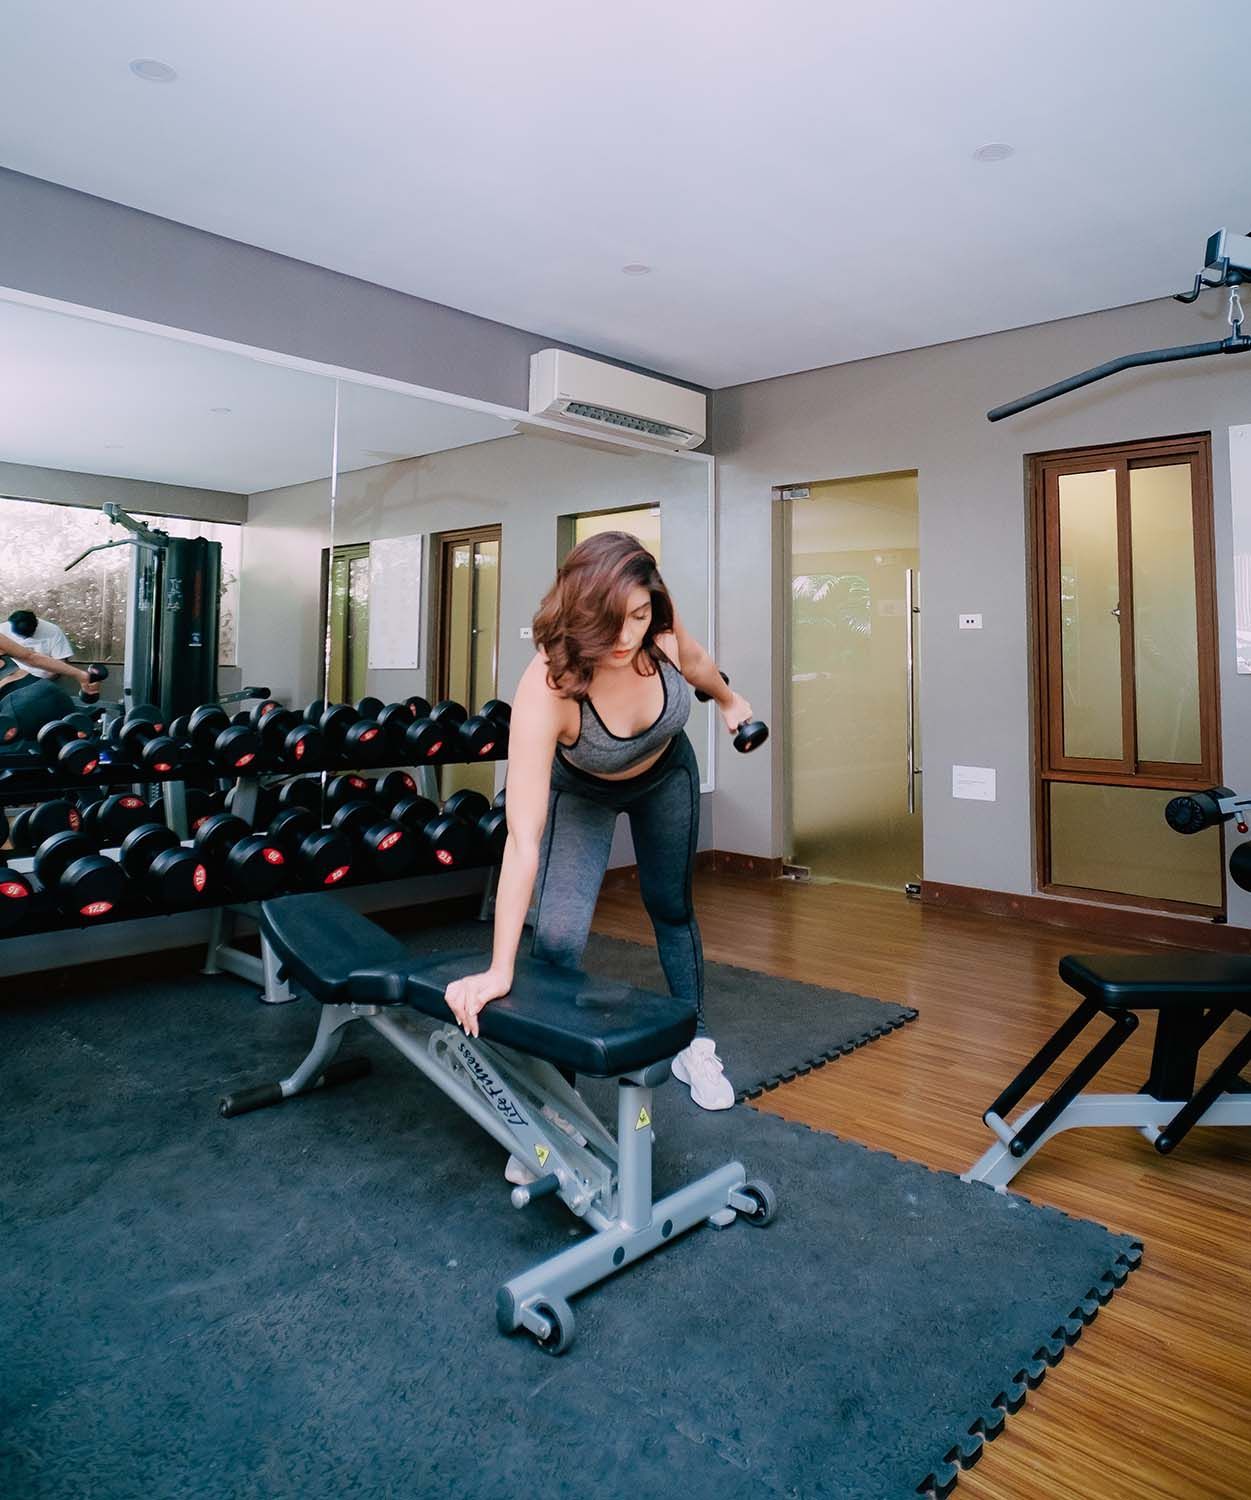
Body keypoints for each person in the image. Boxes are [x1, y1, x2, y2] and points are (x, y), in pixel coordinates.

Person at [444, 530, 755, 1129]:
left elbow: (695, 665)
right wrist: (499, 968)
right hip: (582, 791)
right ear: (580, 611)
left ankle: (693, 1042)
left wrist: (728, 700)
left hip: (665, 774)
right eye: (611, 621)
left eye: (638, 615)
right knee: (559, 937)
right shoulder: (549, 686)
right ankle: (554, 1099)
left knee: (671, 907)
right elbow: (523, 839)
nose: (626, 636)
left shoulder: (658, 631)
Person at [0, 621, 99, 701]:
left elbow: (31, 657)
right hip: (34, 690)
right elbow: (31, 657)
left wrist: (79, 674)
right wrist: (79, 674)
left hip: (18, 698)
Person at [0, 610, 77, 701]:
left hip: (42, 681)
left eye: (28, 635)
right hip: (12, 677)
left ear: (37, 624)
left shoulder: (53, 631)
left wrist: (39, 683)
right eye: (19, 635)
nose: (24, 638)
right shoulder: (2, 630)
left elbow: (61, 662)